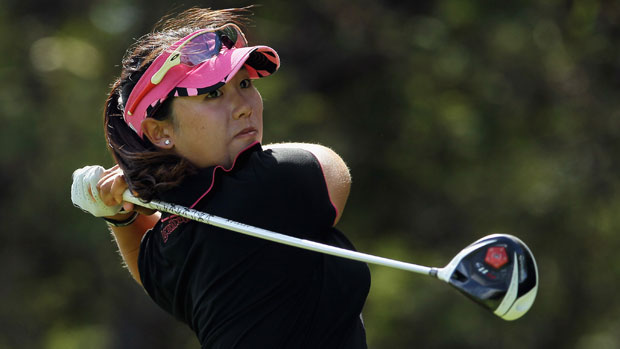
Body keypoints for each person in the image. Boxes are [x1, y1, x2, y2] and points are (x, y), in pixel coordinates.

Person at [71, 7, 371, 348]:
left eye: (244, 84)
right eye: (213, 94)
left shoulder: (173, 235)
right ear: (159, 131)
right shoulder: (277, 180)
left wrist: (118, 215)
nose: (245, 106)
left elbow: (150, 265)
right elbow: (331, 166)